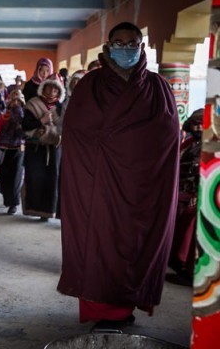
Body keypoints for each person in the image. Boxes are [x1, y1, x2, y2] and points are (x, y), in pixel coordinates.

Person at [57, 22, 180, 330]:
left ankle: (125, 307)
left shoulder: (157, 86)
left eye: (132, 43)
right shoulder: (90, 84)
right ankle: (102, 309)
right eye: (119, 43)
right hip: (97, 181)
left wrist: (130, 149)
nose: (126, 49)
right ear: (108, 47)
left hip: (142, 186)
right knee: (98, 242)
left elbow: (168, 136)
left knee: (136, 243)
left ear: (142, 47)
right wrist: (110, 147)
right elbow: (75, 133)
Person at [167, 109, 203, 286]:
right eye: (196, 123)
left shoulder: (209, 146)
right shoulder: (188, 142)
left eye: (202, 123)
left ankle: (186, 268)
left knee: (191, 217)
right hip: (179, 190)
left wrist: (198, 194)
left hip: (194, 192)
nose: (199, 126)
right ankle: (171, 258)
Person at [21, 75, 65, 220]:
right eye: (49, 86)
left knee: (53, 179)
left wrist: (53, 131)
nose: (52, 90)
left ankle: (49, 211)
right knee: (35, 178)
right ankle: (35, 209)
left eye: (55, 88)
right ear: (43, 87)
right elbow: (25, 125)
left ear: (59, 91)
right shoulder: (33, 104)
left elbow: (64, 127)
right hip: (35, 148)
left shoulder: (61, 107)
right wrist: (41, 121)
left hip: (54, 148)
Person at [0, 95, 26, 215]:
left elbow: (24, 132)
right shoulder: (3, 117)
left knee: (15, 178)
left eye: (19, 101)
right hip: (4, 149)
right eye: (14, 100)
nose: (16, 103)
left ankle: (13, 203)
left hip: (18, 149)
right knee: (4, 178)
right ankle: (9, 200)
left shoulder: (24, 117)